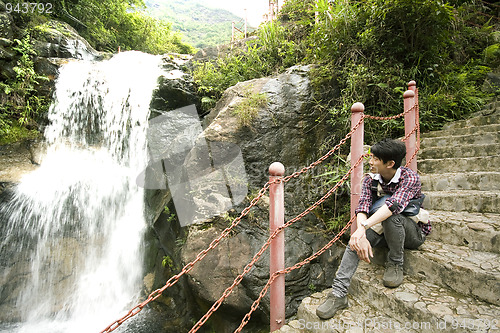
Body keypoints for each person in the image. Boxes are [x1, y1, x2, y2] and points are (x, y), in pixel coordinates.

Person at [316, 138, 431, 320]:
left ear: (390, 163)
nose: (370, 161)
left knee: (392, 217)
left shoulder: (409, 178)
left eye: (375, 158)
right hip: (382, 229)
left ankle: (395, 262)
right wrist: (360, 232)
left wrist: (364, 227)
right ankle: (338, 294)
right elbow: (363, 207)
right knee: (355, 241)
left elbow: (393, 206)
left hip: (411, 233)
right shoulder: (370, 180)